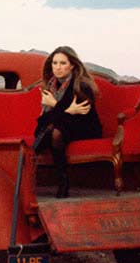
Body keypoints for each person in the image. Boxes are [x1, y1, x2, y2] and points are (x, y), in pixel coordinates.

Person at [34, 46, 102, 198]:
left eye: (63, 63)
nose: (58, 67)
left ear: (72, 65)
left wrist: (54, 105)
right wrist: (67, 109)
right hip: (61, 125)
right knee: (54, 129)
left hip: (84, 127)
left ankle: (33, 158)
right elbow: (45, 119)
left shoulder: (82, 85)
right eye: (55, 63)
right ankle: (61, 178)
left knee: (55, 130)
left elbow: (81, 115)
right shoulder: (50, 86)